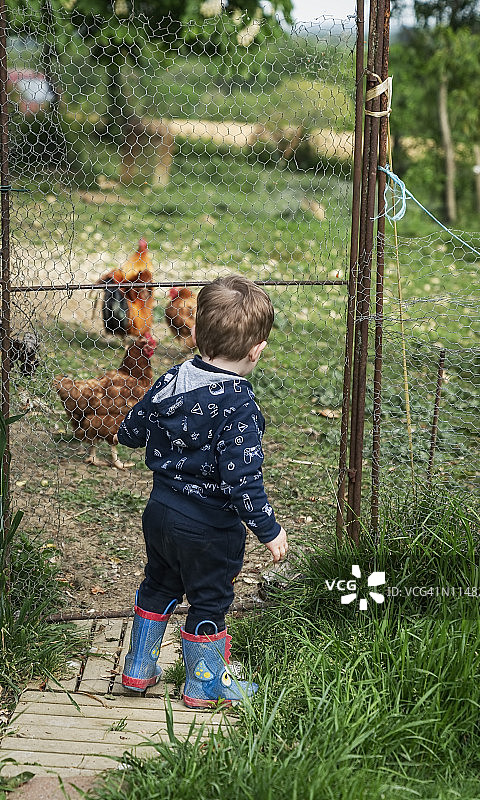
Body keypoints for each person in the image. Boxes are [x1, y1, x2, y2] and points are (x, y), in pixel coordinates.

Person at [116, 275, 288, 707]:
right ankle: (204, 685)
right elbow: (242, 480)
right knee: (209, 600)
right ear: (256, 350)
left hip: (160, 514)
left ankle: (138, 669)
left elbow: (131, 431)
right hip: (210, 528)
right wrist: (268, 529)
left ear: (195, 334)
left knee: (158, 584)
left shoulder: (174, 378)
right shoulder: (240, 406)